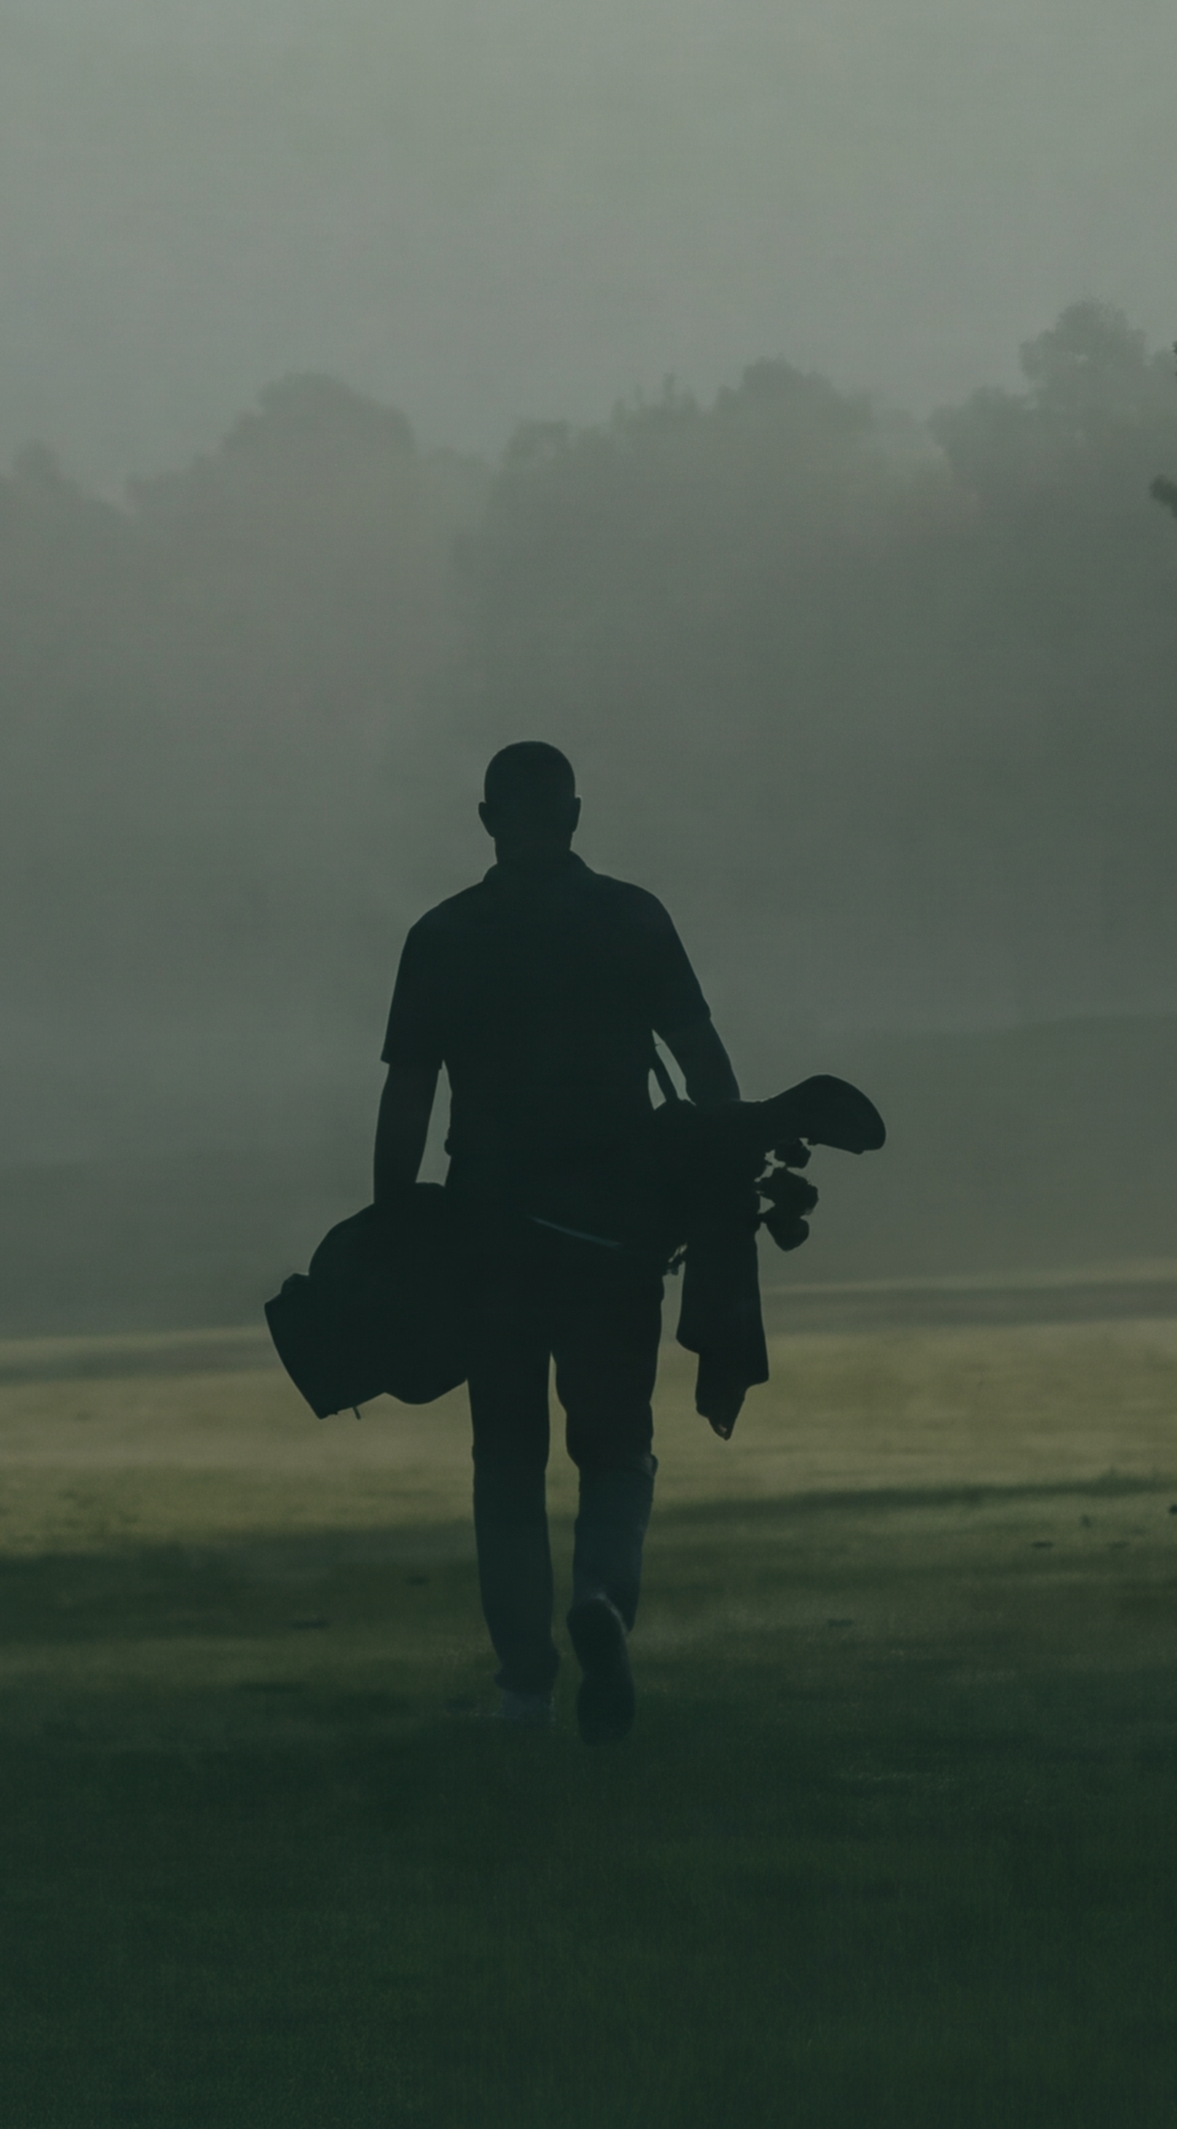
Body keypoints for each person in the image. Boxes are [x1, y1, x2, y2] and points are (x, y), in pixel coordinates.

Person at [375, 739, 734, 1741]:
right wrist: (726, 1175)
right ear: (574, 814)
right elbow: (700, 1058)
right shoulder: (631, 917)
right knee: (615, 1445)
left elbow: (409, 1092)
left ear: (487, 819)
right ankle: (604, 1600)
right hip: (615, 1227)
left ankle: (525, 1688)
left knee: (506, 1458)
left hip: (487, 1230)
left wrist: (391, 1220)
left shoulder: (442, 934)